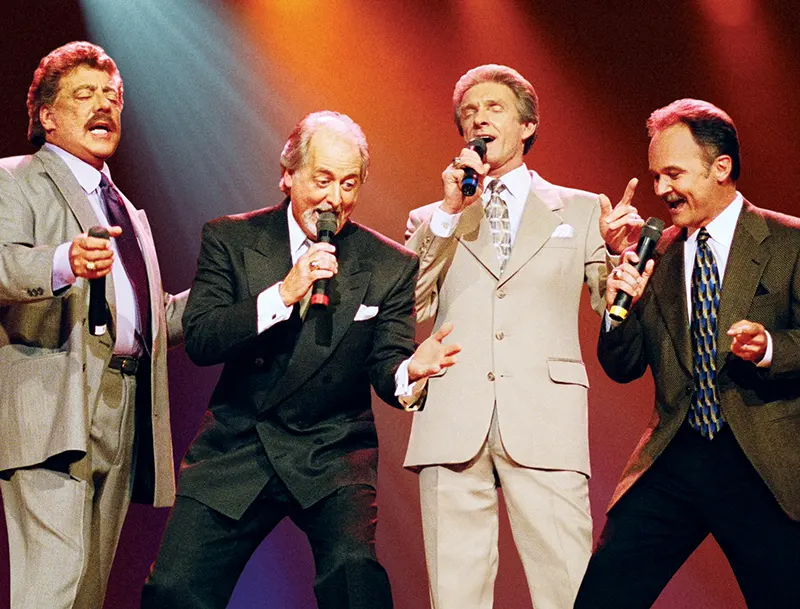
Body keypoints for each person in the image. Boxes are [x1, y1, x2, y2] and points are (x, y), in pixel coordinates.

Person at [142, 110, 461, 609]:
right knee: (174, 589)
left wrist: (410, 372)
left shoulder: (388, 264)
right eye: (323, 180)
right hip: (239, 442)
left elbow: (388, 363)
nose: (335, 199)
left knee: (354, 576)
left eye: (349, 184)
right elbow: (202, 339)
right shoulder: (231, 239)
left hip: (331, 448)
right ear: (288, 175)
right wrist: (283, 294)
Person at [402, 64, 641, 609]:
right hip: (453, 415)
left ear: (528, 125)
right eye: (468, 112)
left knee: (568, 587)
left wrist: (618, 254)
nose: (478, 119)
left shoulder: (583, 210)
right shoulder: (433, 217)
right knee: (456, 594)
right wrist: (449, 213)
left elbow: (611, 307)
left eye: (494, 107)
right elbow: (409, 304)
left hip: (545, 416)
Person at [574, 99, 800, 608]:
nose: (660, 189)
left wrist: (770, 348)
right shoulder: (656, 252)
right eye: (656, 176)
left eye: (673, 174)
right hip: (676, 453)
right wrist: (618, 304)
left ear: (721, 167)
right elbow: (622, 366)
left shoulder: (789, 242)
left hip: (761, 459)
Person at [0, 41, 188, 609]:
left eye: (112, 95)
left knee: (87, 592)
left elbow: (153, 317)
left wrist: (263, 292)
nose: (104, 105)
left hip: (124, 402)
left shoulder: (125, 208)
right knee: (53, 584)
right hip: (53, 402)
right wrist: (64, 260)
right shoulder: (15, 178)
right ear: (47, 116)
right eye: (85, 95)